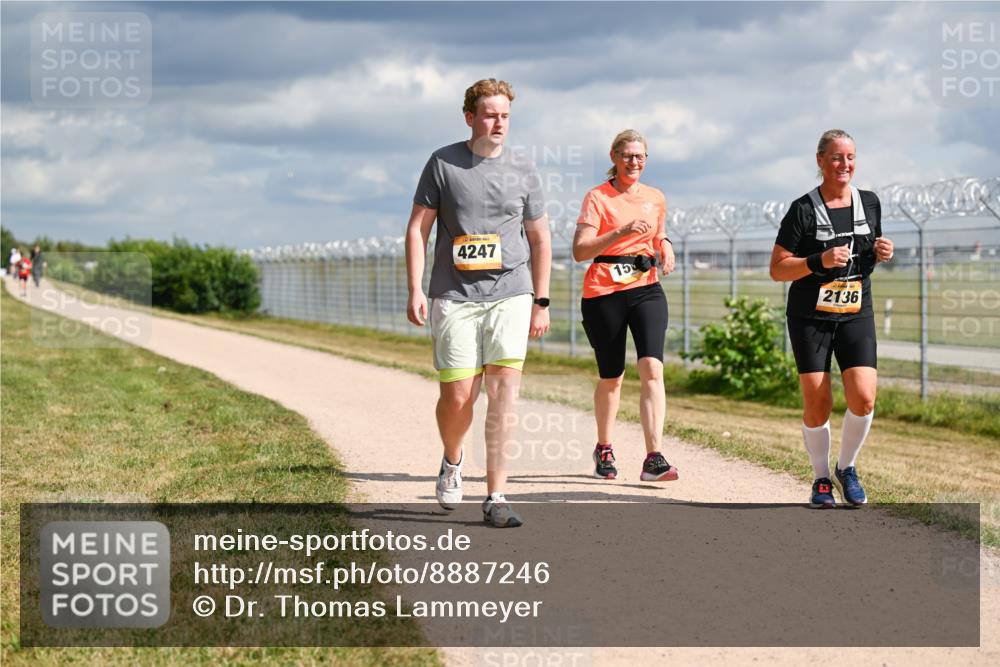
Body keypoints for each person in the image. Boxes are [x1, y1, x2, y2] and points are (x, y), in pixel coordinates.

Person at [405, 78, 551, 527]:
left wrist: (541, 300)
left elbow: (540, 237)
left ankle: (497, 494)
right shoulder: (443, 163)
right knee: (458, 396)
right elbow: (418, 230)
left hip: (511, 290)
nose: (498, 122)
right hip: (455, 294)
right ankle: (452, 460)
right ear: (469, 117)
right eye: (490, 114)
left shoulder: (524, 169)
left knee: (503, 391)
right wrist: (415, 288)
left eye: (505, 115)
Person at [769, 129, 894, 508]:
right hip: (811, 315)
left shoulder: (869, 202)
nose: (845, 165)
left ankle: (847, 468)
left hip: (856, 309)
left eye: (851, 157)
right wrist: (816, 261)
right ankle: (821, 479)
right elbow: (777, 269)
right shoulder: (802, 209)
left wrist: (882, 251)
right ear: (820, 160)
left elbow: (869, 251)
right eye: (837, 157)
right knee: (817, 402)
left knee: (864, 397)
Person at [572, 129, 678, 482]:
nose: (635, 162)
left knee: (652, 367)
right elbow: (580, 251)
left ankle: (654, 457)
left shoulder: (655, 197)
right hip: (604, 292)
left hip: (646, 287)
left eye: (641, 156)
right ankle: (604, 446)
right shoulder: (597, 198)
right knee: (612, 377)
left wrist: (665, 244)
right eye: (628, 155)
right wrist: (622, 232)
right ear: (614, 158)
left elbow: (657, 231)